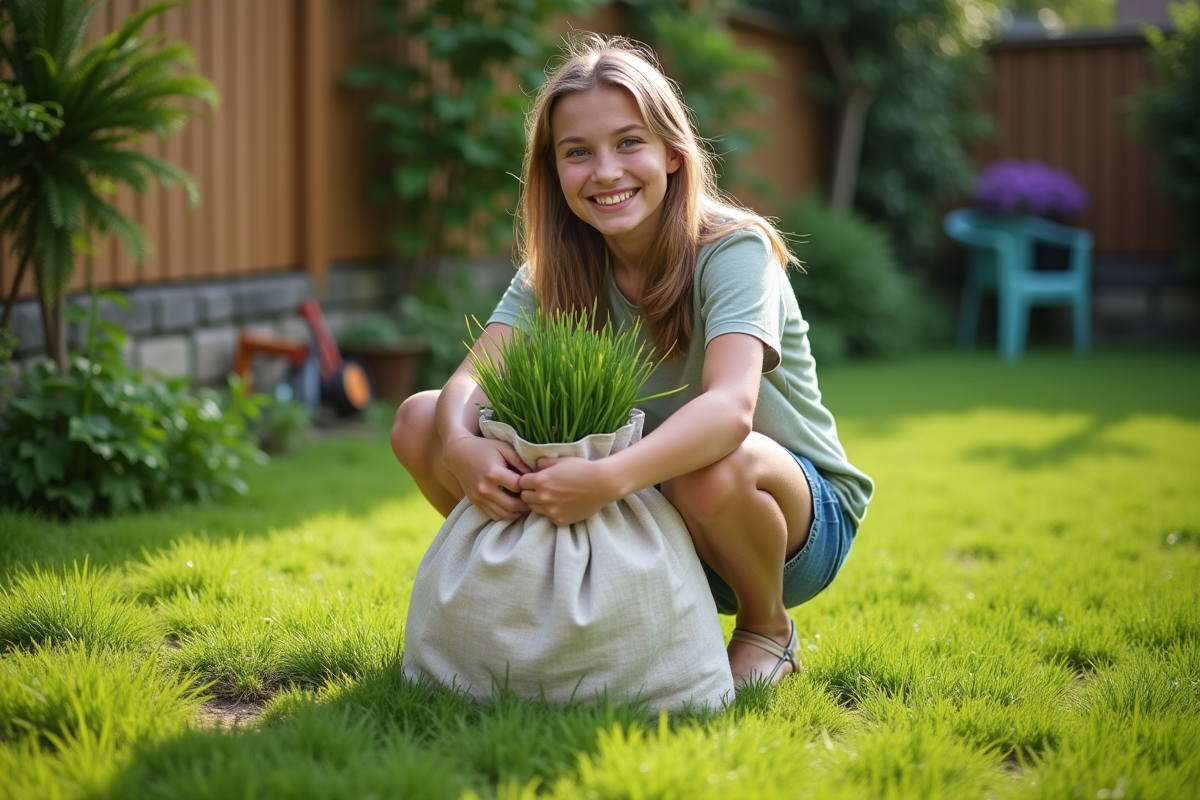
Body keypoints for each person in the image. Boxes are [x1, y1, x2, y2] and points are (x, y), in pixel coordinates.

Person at [391, 34, 874, 689]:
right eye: (577, 153)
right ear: (553, 172)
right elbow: (471, 377)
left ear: (673, 154)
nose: (606, 172)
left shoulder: (732, 251)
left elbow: (731, 411)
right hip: (644, 507)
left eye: (628, 143)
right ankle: (537, 592)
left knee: (708, 469)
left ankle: (768, 628)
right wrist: (456, 444)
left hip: (788, 522)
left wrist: (610, 478)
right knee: (419, 421)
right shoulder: (554, 272)